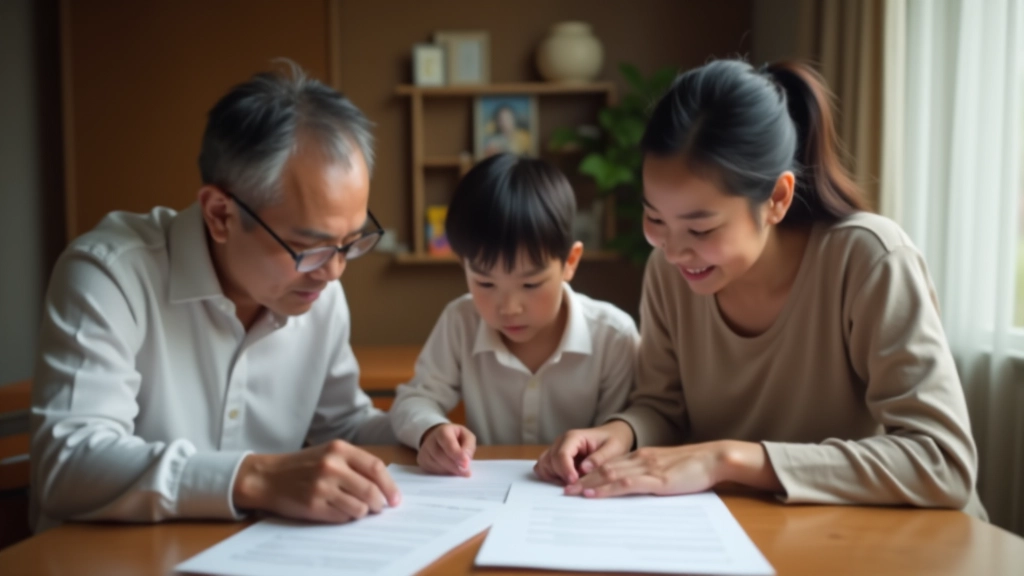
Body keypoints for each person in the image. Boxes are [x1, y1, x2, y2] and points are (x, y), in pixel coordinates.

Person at [534, 60, 986, 518]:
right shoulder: (669, 273)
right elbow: (663, 406)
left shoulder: (869, 259)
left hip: (900, 542)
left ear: (776, 199)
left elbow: (942, 462)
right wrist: (623, 432)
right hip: (755, 528)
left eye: (701, 228)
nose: (673, 251)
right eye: (655, 219)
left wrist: (727, 459)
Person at [30, 62, 401, 532]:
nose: (334, 271)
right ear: (220, 214)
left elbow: (343, 427)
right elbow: (67, 464)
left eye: (350, 242)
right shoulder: (111, 275)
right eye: (309, 247)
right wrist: (256, 478)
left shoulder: (319, 290)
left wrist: (422, 429)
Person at [390, 154, 639, 476]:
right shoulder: (460, 322)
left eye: (531, 283)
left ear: (570, 262)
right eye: (485, 282)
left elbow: (621, 434)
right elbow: (413, 400)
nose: (508, 306)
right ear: (463, 266)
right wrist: (431, 430)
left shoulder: (613, 336)